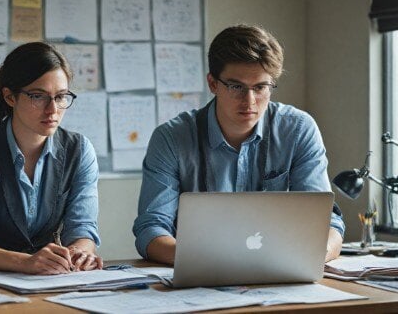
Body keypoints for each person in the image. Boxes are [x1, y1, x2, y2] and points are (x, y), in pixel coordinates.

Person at [132, 24, 344, 265]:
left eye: (261, 87)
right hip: (202, 274)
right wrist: (216, 262)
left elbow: (327, 222)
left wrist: (314, 253)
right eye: (236, 87)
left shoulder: (297, 130)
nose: (249, 101)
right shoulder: (171, 138)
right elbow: (151, 229)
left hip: (281, 270)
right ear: (213, 83)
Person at [0, 42, 103, 274]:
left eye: (61, 97)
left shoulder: (79, 151)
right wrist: (25, 262)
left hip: (50, 278)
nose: (53, 110)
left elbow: (83, 227)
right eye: (38, 97)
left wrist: (81, 253)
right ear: (10, 97)